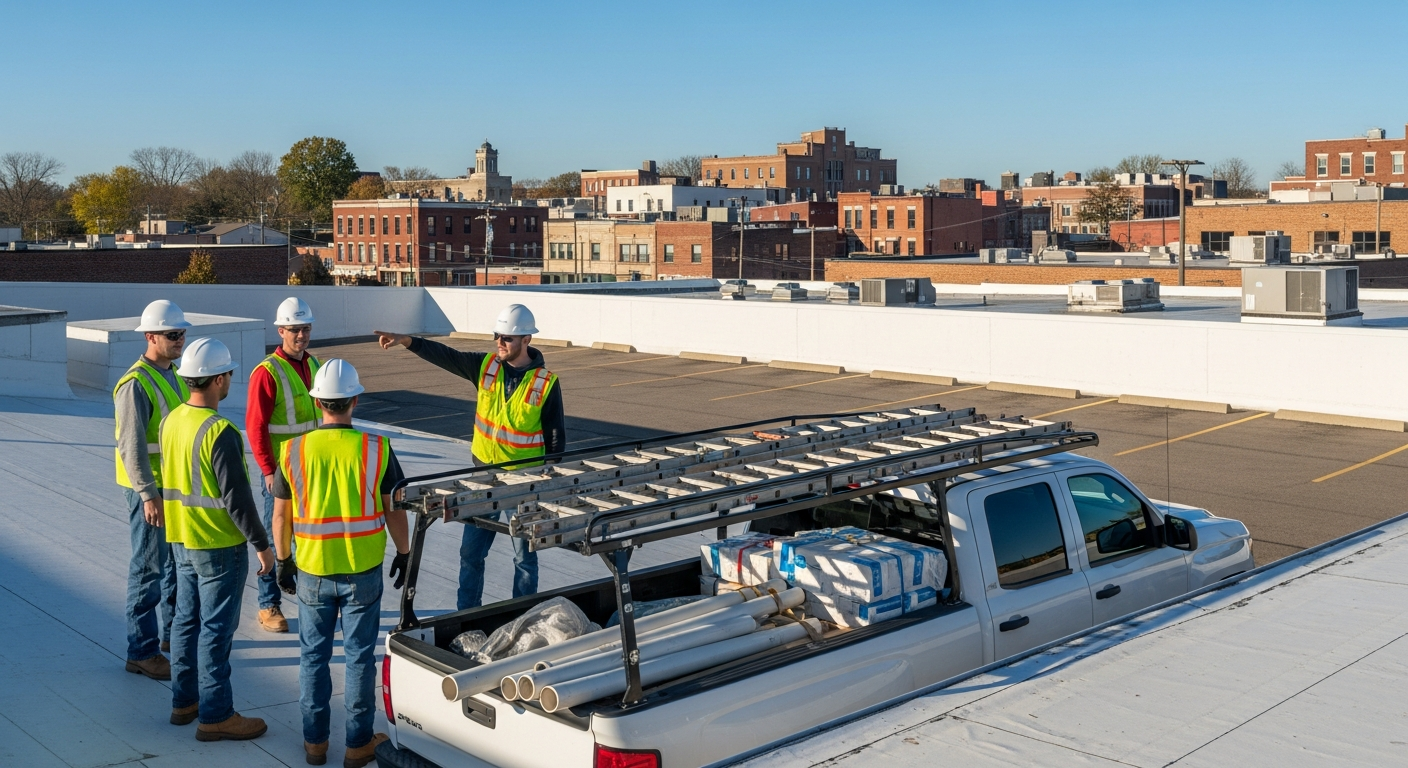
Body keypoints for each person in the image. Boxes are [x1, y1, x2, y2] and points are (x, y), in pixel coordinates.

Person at [373, 304, 564, 609]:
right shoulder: (485, 366)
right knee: (470, 554)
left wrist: (549, 479)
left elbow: (555, 439)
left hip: (524, 484)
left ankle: (523, 617)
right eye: (497, 336)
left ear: (526, 339)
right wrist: (408, 341)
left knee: (524, 558)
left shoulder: (545, 383)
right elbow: (447, 357)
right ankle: (467, 614)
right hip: (483, 479)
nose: (499, 342)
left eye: (507, 338)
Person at [270, 359, 411, 768]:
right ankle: (358, 744)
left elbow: (281, 515)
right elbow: (394, 510)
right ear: (354, 400)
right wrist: (404, 552)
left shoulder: (293, 450)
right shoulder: (376, 449)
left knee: (312, 657)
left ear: (318, 402)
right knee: (358, 658)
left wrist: (283, 561)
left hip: (313, 571)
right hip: (362, 570)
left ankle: (315, 744)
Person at [160, 337, 275, 741]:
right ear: (218, 379)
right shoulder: (220, 430)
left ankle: (183, 702)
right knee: (216, 631)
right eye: (228, 375)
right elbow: (239, 499)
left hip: (181, 540)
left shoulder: (172, 420)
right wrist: (263, 545)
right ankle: (216, 714)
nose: (229, 382)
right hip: (217, 546)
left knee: (184, 623)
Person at [115, 299, 190, 681]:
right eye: (172, 335)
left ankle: (165, 637)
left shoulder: (171, 374)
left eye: (181, 334)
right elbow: (131, 447)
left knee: (171, 566)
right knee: (147, 568)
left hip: (170, 489)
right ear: (150, 337)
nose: (179, 340)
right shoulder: (135, 384)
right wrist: (148, 495)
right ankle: (140, 651)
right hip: (150, 493)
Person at [246, 296, 321, 633]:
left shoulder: (316, 364)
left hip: (311, 470)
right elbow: (256, 426)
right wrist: (267, 471)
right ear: (281, 331)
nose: (301, 335)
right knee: (277, 539)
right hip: (280, 473)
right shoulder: (267, 373)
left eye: (305, 328)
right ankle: (268, 604)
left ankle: (308, 597)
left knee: (306, 537)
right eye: (294, 329)